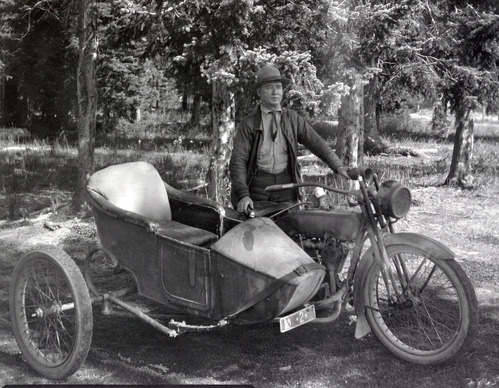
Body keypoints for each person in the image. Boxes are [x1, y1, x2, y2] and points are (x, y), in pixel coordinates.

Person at [229, 65, 350, 215]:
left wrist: (338, 166)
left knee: (289, 231)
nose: (275, 92)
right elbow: (238, 161)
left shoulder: (292, 119)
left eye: (278, 87)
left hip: (287, 188)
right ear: (259, 92)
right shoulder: (249, 123)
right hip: (257, 189)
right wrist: (243, 195)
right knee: (257, 232)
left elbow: (316, 143)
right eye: (269, 87)